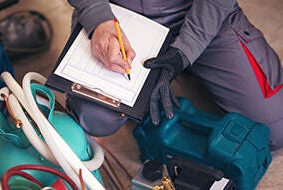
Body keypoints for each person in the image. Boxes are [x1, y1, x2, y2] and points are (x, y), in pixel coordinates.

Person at [65, 0, 283, 151]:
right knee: (94, 120)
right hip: (117, 15)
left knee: (273, 131)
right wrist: (98, 17)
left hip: (199, 12)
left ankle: (192, 67)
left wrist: (186, 51)